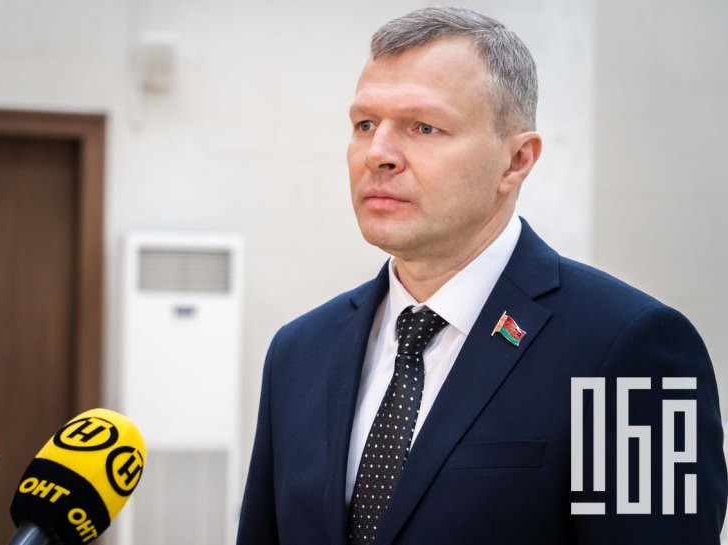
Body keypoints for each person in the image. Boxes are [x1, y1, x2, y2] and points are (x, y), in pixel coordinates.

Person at [236, 6, 727, 544]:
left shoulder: (629, 349)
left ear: (516, 161)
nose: (378, 154)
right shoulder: (300, 352)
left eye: (424, 127)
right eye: (365, 125)